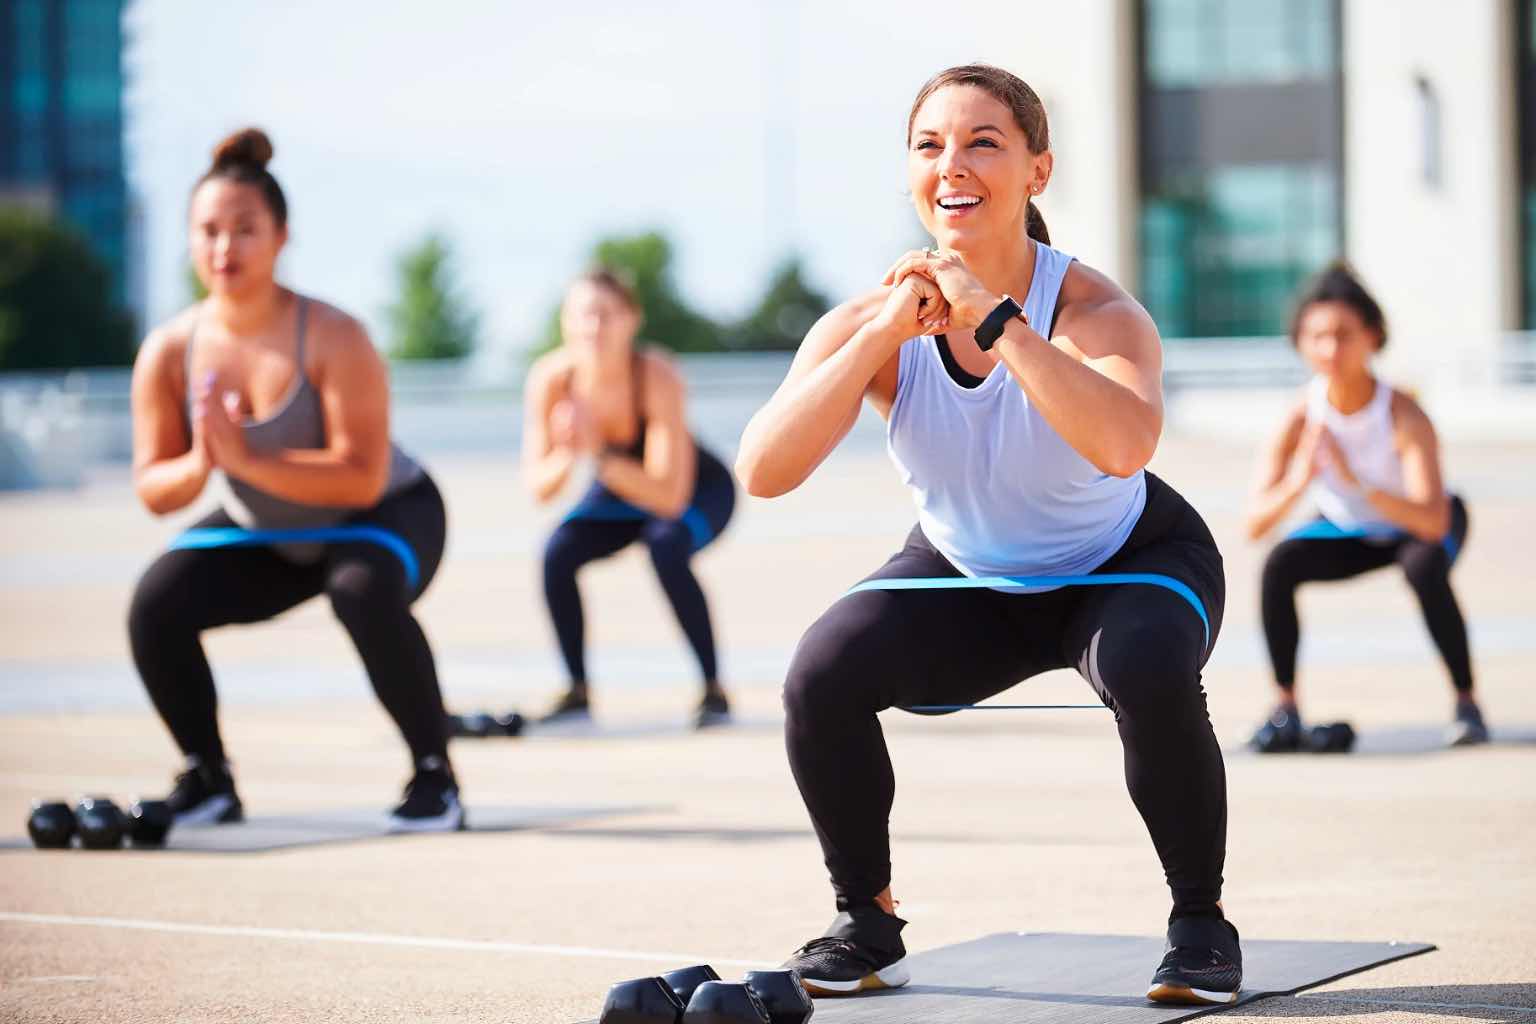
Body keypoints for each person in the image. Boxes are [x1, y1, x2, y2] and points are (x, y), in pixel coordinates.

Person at [736, 64, 1239, 1005]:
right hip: (968, 572)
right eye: (931, 146)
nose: (953, 164)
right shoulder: (870, 322)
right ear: (911, 175)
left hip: (1127, 563)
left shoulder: (1097, 311)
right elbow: (763, 471)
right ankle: (865, 920)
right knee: (819, 675)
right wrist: (885, 332)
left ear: (1036, 172)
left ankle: (1201, 925)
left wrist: (997, 323)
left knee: (1146, 665)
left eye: (983, 143)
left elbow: (1127, 445)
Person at [127, 128, 462, 832]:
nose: (225, 249)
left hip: (387, 512)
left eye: (245, 230)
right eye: (208, 231)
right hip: (269, 530)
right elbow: (156, 487)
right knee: (155, 603)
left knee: (359, 588)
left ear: (281, 236)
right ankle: (208, 777)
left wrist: (244, 460)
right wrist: (201, 462)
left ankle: (436, 778)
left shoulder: (336, 335)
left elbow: (361, 476)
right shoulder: (167, 351)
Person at [1245, 262, 1485, 750]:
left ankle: (1467, 703)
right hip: (1348, 530)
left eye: (1343, 335)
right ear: (1301, 342)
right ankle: (1285, 708)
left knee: (1423, 570)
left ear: (1372, 337)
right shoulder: (1300, 415)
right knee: (1278, 565)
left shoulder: (1401, 412)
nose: (1330, 349)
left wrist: (1357, 484)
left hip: (1415, 526)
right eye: (1318, 337)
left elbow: (1433, 517)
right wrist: (1300, 480)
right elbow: (1255, 524)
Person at [519, 269, 736, 729]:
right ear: (565, 322)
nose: (593, 328)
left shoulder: (655, 373)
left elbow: (669, 496)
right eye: (582, 315)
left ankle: (713, 689)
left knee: (666, 546)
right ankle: (576, 689)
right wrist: (565, 450)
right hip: (618, 485)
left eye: (606, 315)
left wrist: (596, 449)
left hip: (699, 488)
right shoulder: (552, 378)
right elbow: (539, 487)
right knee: (556, 553)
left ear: (631, 320)